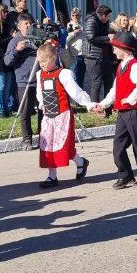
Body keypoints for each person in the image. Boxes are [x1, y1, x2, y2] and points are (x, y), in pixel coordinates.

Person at [91, 33, 137, 188]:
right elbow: (115, 89)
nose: (113, 50)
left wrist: (131, 98)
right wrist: (104, 104)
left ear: (123, 49)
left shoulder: (134, 65)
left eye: (115, 47)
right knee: (118, 146)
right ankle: (125, 175)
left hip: (134, 111)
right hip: (122, 112)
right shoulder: (121, 65)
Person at [34, 42, 94, 187]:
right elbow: (39, 92)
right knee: (47, 144)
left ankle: (80, 162)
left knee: (63, 145)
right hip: (48, 116)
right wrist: (41, 103)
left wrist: (88, 103)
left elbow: (75, 92)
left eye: (44, 61)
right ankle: (52, 176)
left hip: (62, 115)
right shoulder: (39, 74)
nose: (41, 64)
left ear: (54, 57)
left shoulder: (64, 74)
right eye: (39, 61)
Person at [5, 13, 41, 150]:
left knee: (43, 110)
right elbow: (7, 61)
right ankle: (27, 140)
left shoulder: (37, 38)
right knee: (25, 112)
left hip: (40, 79)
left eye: (29, 23)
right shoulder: (15, 41)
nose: (28, 25)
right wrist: (17, 50)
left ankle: (43, 137)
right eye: (25, 23)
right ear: (19, 26)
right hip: (24, 81)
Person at [83, 5, 115, 103]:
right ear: (103, 15)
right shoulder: (91, 21)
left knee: (108, 80)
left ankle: (108, 106)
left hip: (105, 55)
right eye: (108, 16)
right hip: (93, 56)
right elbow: (91, 37)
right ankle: (95, 107)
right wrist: (107, 38)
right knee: (97, 82)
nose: (109, 18)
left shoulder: (104, 22)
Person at [65, 8, 86, 86]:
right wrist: (74, 33)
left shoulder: (81, 25)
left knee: (81, 74)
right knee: (75, 74)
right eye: (73, 15)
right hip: (75, 54)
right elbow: (67, 39)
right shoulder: (70, 25)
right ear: (71, 16)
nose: (75, 17)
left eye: (77, 15)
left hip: (82, 53)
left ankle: (80, 89)